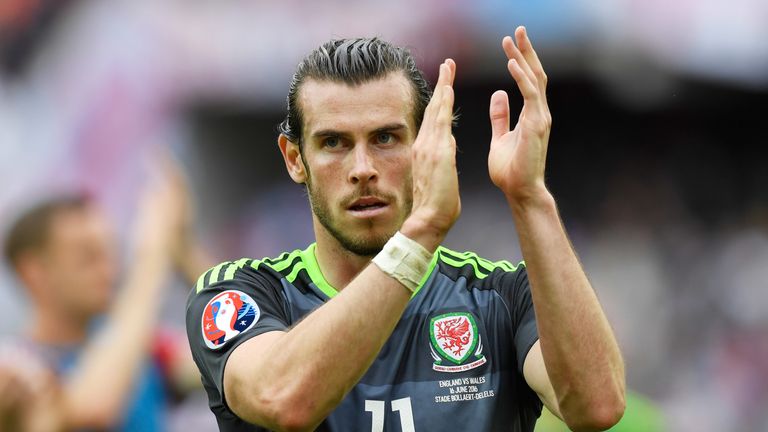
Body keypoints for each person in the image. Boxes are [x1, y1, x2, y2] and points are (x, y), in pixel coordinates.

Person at [186, 27, 625, 431]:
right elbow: (284, 400)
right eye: (333, 143)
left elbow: (596, 407)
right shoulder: (240, 295)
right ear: (295, 159)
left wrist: (531, 198)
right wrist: (421, 231)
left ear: (427, 147)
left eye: (385, 138)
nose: (362, 169)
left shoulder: (500, 298)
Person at [1, 162, 209, 431]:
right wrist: (151, 260)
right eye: (88, 257)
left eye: (110, 253)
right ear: (34, 273)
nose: (109, 270)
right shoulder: (14, 369)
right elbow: (93, 407)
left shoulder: (149, 349)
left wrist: (183, 249)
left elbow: (236, 346)